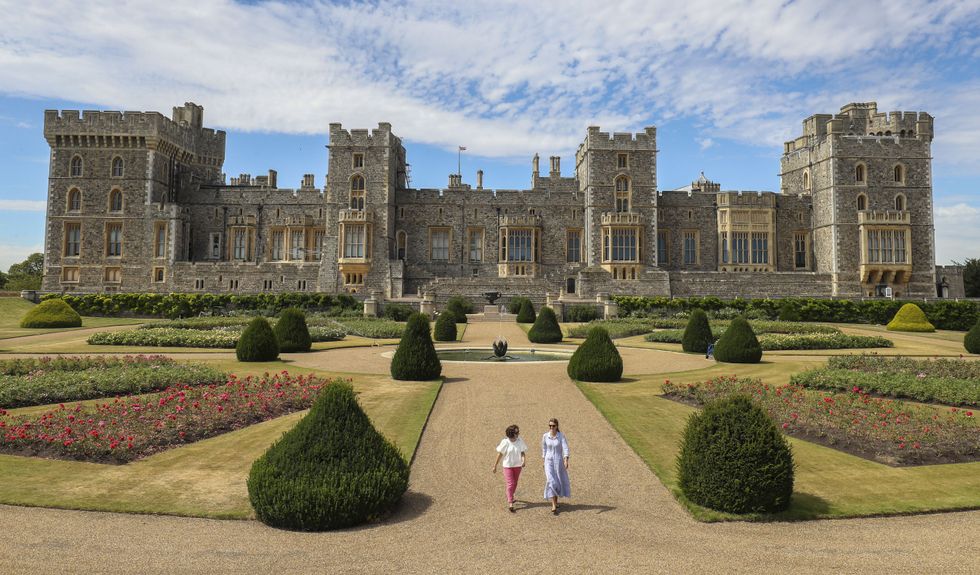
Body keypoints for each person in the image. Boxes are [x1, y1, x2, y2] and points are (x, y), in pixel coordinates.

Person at [492, 424, 527, 512]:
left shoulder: (519, 441)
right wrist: (495, 465)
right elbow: (500, 454)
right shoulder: (505, 442)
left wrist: (523, 461)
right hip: (507, 466)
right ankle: (510, 502)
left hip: (518, 466)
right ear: (512, 433)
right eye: (517, 432)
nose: (518, 433)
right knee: (510, 483)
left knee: (515, 483)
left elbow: (522, 452)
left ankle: (510, 495)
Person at [542, 417, 570, 514]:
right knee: (551, 480)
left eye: (553, 426)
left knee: (557, 480)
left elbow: (565, 448)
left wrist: (566, 459)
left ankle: (555, 501)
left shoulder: (561, 436)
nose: (551, 427)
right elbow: (544, 448)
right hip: (548, 461)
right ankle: (553, 504)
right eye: (550, 426)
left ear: (557, 426)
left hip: (558, 461)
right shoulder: (545, 436)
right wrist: (543, 460)